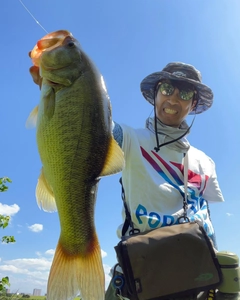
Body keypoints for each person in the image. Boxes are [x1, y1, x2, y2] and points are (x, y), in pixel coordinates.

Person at [106, 62, 228, 300]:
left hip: (197, 280)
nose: (173, 99)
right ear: (155, 94)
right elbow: (94, 126)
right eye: (166, 89)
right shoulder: (129, 138)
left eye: (184, 93)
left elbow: (206, 219)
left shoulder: (206, 162)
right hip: (143, 276)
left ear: (193, 104)